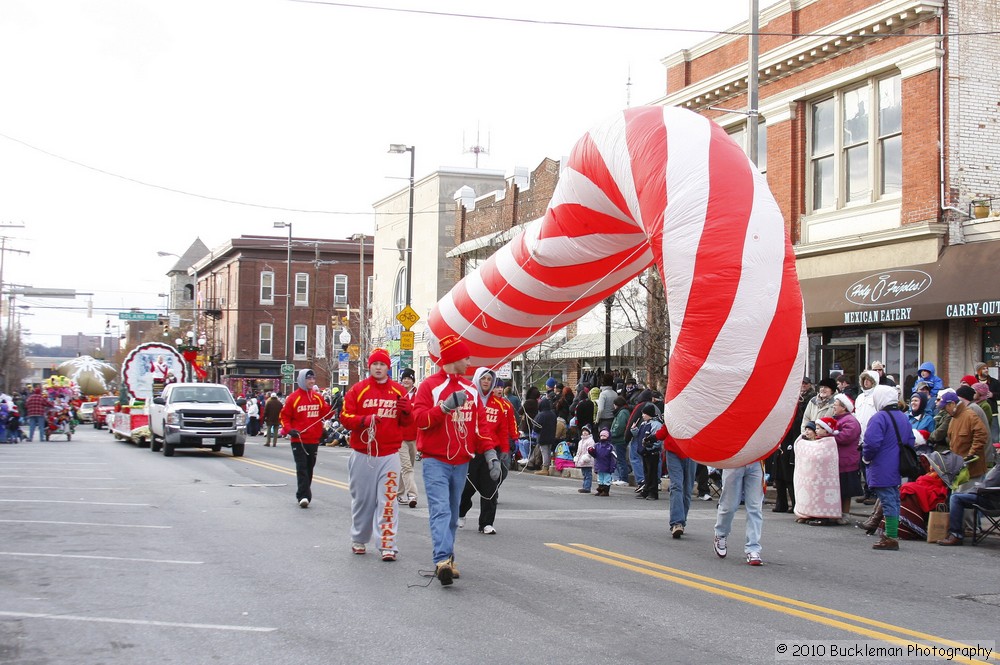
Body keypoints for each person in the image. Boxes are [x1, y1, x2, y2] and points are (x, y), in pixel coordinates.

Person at [412, 334, 493, 586]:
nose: (468, 360)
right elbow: (419, 420)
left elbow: (480, 427)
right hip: (435, 460)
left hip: (462, 461)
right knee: (440, 509)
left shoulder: (470, 388)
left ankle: (448, 558)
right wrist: (444, 408)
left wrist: (490, 454)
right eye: (465, 356)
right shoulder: (429, 386)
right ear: (453, 358)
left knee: (453, 513)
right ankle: (442, 560)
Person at [339, 349, 412, 560]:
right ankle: (359, 539)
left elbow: (409, 426)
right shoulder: (358, 390)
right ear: (369, 367)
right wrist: (364, 420)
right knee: (363, 499)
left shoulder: (399, 391)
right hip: (363, 453)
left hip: (389, 454)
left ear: (388, 367)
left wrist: (408, 411)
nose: (378, 368)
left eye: (382, 364)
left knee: (388, 500)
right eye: (375, 364)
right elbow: (345, 417)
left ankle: (388, 544)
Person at [861, 385, 915, 551]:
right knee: (894, 499)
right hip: (897, 464)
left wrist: (866, 458)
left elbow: (871, 443)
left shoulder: (879, 418)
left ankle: (891, 536)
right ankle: (892, 533)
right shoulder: (903, 417)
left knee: (888, 500)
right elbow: (911, 440)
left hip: (882, 464)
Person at [459, 369, 513, 534]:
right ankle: (460, 513)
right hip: (471, 452)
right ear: (477, 379)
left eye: (490, 379)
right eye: (483, 378)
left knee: (491, 488)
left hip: (491, 452)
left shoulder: (498, 405)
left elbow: (503, 431)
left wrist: (504, 451)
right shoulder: (468, 400)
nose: (486, 382)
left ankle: (486, 523)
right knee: (467, 487)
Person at [279, 370, 333, 508]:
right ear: (302, 380)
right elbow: (284, 416)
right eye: (309, 379)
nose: (312, 381)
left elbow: (325, 414)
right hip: (299, 439)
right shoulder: (293, 398)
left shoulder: (317, 397)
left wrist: (335, 407)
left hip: (313, 439)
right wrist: (289, 430)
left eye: (313, 379)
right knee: (301, 467)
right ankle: (303, 496)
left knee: (309, 467)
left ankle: (304, 493)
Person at [713, 460, 766, 566]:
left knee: (755, 507)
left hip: (756, 461)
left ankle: (753, 548)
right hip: (734, 461)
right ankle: (721, 534)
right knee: (729, 506)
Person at [772, 377, 813, 512]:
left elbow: (797, 425)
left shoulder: (801, 405)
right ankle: (781, 503)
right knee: (779, 476)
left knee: (789, 475)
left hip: (791, 441)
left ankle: (795, 503)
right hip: (781, 441)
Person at [936, 462, 1000, 546]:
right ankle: (956, 532)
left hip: (992, 500)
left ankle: (956, 535)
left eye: (998, 449)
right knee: (957, 496)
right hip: (991, 497)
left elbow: (988, 485)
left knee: (955, 498)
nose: (997, 450)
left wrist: (975, 489)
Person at [793, 417, 843, 525]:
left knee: (822, 494)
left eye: (819, 428)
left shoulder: (829, 442)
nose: (817, 430)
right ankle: (809, 514)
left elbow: (824, 456)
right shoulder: (817, 441)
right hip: (814, 475)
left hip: (825, 476)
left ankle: (823, 517)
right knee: (811, 492)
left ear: (826, 430)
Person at [942, 389, 988, 487]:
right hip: (960, 471)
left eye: (945, 407)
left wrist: (971, 455)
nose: (945, 410)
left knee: (963, 499)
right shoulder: (954, 418)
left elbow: (982, 435)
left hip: (972, 472)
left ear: (952, 404)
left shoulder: (970, 415)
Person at [831, 394, 862, 522]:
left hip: (847, 461)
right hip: (838, 460)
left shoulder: (850, 421)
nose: (833, 406)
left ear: (844, 408)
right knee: (839, 489)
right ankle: (837, 513)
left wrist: (829, 435)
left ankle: (845, 514)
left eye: (836, 404)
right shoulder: (837, 419)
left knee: (846, 491)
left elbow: (845, 437)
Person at [397, 367, 420, 509]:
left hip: (414, 437)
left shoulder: (418, 395)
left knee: (408, 467)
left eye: (409, 378)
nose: (406, 381)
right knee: (406, 467)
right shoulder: (397, 394)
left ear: (413, 381)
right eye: (404, 378)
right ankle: (412, 494)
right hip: (400, 437)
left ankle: (399, 494)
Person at [629, 403, 661, 495]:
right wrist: (634, 430)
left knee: (652, 473)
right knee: (646, 472)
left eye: (644, 414)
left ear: (649, 414)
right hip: (644, 451)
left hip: (652, 452)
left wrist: (651, 446)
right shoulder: (643, 423)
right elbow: (639, 435)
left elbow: (657, 439)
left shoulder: (656, 425)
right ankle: (646, 489)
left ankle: (652, 491)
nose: (642, 415)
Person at [609, 396, 631, 486]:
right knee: (619, 459)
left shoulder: (622, 413)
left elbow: (620, 427)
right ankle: (620, 477)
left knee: (620, 459)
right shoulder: (623, 412)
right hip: (619, 439)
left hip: (619, 440)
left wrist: (611, 433)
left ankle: (624, 478)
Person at [591, 426, 616, 496]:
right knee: (600, 478)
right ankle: (600, 489)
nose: (602, 437)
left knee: (607, 479)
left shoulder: (610, 447)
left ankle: (606, 491)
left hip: (607, 466)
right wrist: (591, 451)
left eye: (604, 436)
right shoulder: (597, 445)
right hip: (599, 465)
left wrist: (612, 466)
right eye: (601, 435)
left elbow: (613, 457)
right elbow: (594, 455)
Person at [574, 424, 596, 494]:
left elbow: (590, 451)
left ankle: (587, 487)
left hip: (587, 461)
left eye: (586, 431)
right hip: (582, 461)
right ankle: (585, 486)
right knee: (584, 474)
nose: (584, 432)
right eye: (583, 431)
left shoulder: (590, 441)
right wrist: (577, 458)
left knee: (588, 474)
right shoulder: (580, 441)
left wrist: (586, 457)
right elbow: (578, 451)